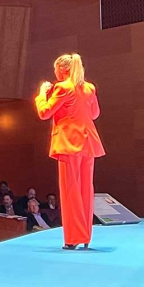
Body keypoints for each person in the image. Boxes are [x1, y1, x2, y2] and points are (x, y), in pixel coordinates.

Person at [35, 53, 104, 249]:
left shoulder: (63, 87)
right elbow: (94, 113)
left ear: (63, 70)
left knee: (70, 190)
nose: (55, 72)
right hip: (88, 142)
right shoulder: (89, 87)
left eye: (56, 69)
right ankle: (85, 237)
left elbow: (44, 112)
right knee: (85, 190)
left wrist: (41, 94)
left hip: (68, 143)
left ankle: (73, 238)